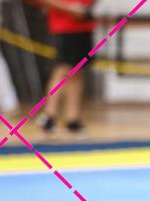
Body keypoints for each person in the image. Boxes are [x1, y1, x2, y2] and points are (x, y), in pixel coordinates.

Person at [38, 0, 95, 137]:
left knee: (78, 70)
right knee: (63, 69)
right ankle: (49, 116)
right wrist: (69, 9)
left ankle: (72, 119)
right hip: (64, 25)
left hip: (84, 24)